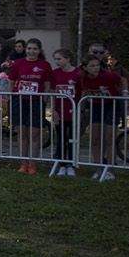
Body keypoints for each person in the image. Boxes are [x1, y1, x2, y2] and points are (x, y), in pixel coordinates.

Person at [8, 38, 52, 174]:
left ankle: (32, 164)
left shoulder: (44, 65)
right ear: (25, 50)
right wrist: (11, 96)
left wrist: (44, 98)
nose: (31, 51)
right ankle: (23, 163)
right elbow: (11, 81)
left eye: (35, 49)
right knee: (22, 133)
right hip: (19, 101)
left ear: (39, 51)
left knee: (34, 133)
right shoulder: (18, 64)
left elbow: (47, 84)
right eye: (29, 48)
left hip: (36, 102)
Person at [78, 53, 120, 180]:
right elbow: (81, 91)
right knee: (95, 138)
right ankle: (98, 168)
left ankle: (110, 169)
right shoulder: (82, 77)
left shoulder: (108, 75)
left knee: (109, 137)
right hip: (96, 106)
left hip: (111, 105)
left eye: (97, 65)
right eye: (92, 66)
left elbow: (123, 80)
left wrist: (124, 92)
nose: (95, 68)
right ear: (85, 67)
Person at [50, 48, 81, 177]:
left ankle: (71, 164)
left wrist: (79, 108)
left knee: (72, 138)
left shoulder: (78, 73)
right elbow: (52, 92)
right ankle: (62, 164)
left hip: (73, 110)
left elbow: (81, 92)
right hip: (60, 111)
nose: (57, 61)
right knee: (61, 137)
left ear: (68, 59)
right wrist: (53, 110)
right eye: (55, 59)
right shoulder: (55, 73)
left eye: (60, 59)